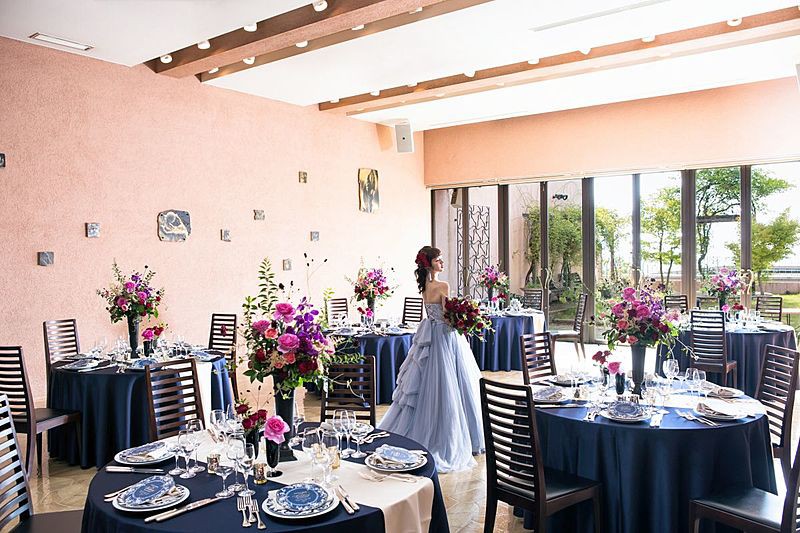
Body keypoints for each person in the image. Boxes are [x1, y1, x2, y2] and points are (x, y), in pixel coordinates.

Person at [378, 246, 485, 472]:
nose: (442, 263)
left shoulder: (424, 287)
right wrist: (466, 318)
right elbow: (448, 318)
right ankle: (455, 436)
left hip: (429, 335)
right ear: (429, 263)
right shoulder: (443, 285)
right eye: (438, 260)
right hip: (445, 337)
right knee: (452, 384)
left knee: (429, 382)